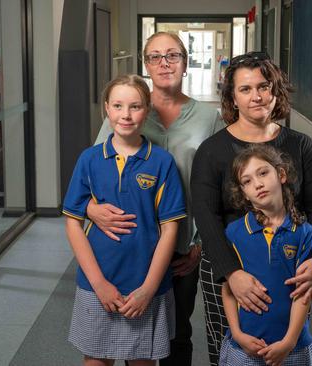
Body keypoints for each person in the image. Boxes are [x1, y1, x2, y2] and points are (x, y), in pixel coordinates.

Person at [89, 31, 226, 366]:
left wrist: (199, 244)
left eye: (173, 55)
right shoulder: (128, 110)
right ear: (146, 64)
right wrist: (93, 210)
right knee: (121, 332)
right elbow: (92, 174)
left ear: (185, 61)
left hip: (181, 247)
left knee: (175, 334)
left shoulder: (209, 119)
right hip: (127, 244)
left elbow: (218, 189)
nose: (164, 63)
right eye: (155, 56)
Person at [191, 51, 312, 365]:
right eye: (245, 89)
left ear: (275, 90)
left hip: (287, 263)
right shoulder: (211, 151)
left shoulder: (301, 146)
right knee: (230, 351)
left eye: (264, 86)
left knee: (286, 346)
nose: (256, 96)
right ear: (232, 97)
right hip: (228, 264)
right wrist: (232, 274)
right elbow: (206, 217)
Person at [63, 74, 187, 365]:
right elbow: (72, 223)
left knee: (142, 360)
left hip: (144, 283)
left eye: (135, 106)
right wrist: (99, 284)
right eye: (118, 105)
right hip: (98, 281)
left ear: (147, 110)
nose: (126, 115)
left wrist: (148, 288)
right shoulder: (89, 159)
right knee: (96, 360)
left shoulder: (161, 162)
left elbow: (170, 230)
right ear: (107, 108)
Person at [219, 144, 312, 366]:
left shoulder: (304, 233)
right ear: (243, 192)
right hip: (245, 345)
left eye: (263, 173)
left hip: (292, 346)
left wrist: (289, 342)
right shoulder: (234, 232)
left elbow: (304, 293)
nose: (258, 184)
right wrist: (237, 334)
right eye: (247, 181)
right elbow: (228, 290)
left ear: (281, 174)